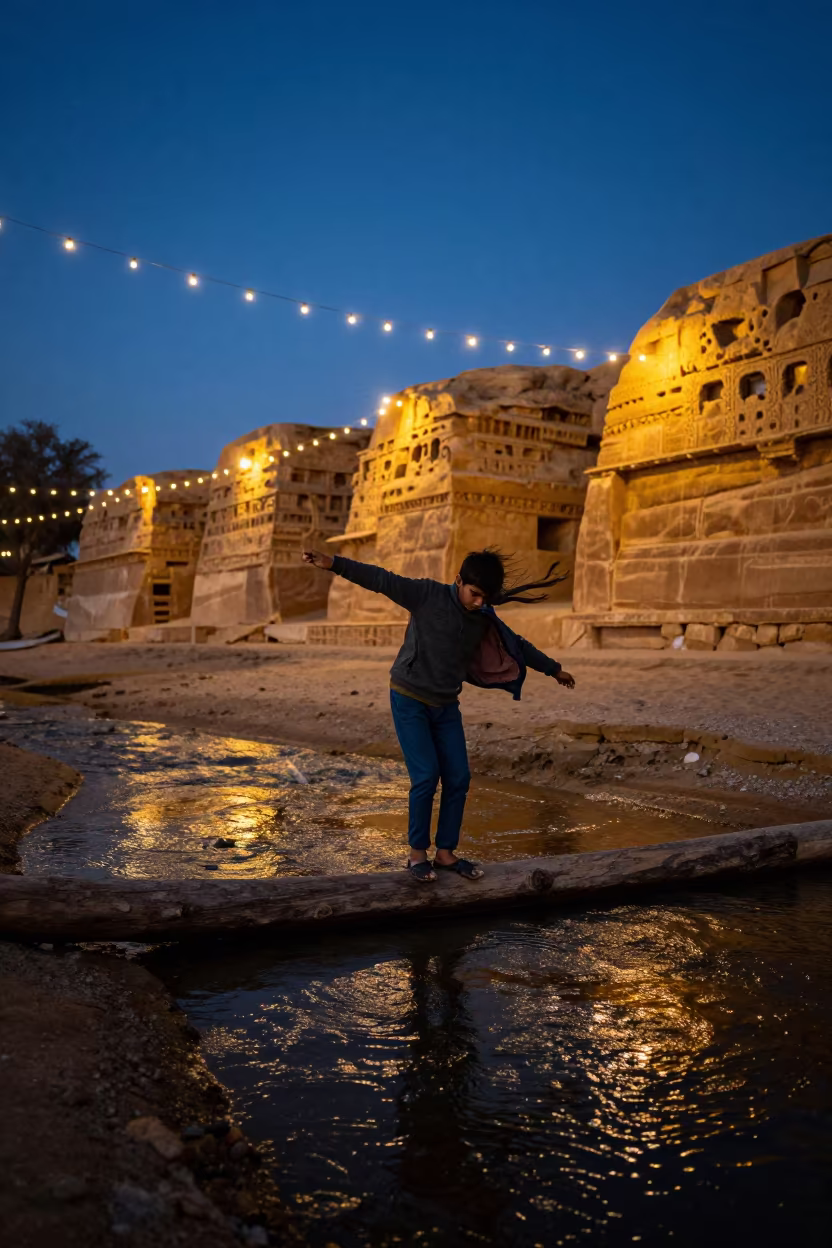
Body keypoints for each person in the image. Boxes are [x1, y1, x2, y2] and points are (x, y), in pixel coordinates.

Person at [301, 547, 575, 883]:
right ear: (459, 580)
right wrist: (334, 564)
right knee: (427, 776)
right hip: (408, 699)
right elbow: (380, 580)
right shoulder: (426, 594)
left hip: (446, 705)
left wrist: (553, 669)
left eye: (484, 597)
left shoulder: (482, 614)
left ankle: (445, 854)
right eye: (474, 594)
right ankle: (417, 855)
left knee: (458, 777)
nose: (478, 602)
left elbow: (516, 644)